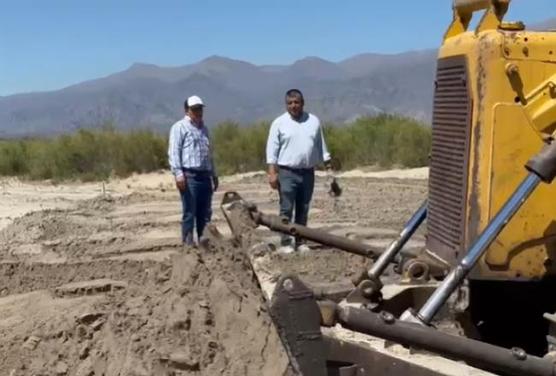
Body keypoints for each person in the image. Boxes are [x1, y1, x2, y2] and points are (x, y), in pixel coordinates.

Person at [266, 89, 332, 253]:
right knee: (286, 208)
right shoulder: (279, 123)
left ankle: (300, 241)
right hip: (287, 173)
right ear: (286, 105)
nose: (294, 106)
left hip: (308, 172)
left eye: (297, 102)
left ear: (303, 103)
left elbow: (320, 145)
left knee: (303, 207)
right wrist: (272, 173)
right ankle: (286, 242)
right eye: (290, 103)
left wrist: (328, 166)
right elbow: (272, 151)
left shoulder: (313, 121)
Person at [168, 95, 219, 246]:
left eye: (200, 109)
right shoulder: (179, 127)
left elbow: (209, 154)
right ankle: (188, 247)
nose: (198, 112)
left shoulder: (204, 129)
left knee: (205, 214)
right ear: (187, 110)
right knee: (190, 212)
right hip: (189, 176)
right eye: (194, 109)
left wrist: (214, 174)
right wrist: (178, 174)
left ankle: (205, 244)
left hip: (204, 176)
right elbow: (174, 151)